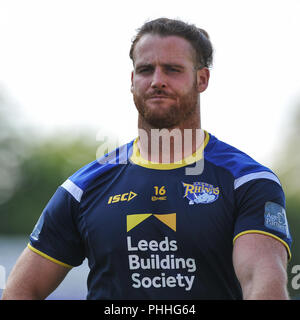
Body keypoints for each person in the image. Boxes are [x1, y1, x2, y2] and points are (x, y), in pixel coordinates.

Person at [2, 18, 292, 300]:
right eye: (145, 69)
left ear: (201, 79)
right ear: (132, 81)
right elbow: (21, 290)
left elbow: (261, 283)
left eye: (172, 70)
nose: (157, 81)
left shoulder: (247, 181)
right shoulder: (83, 188)